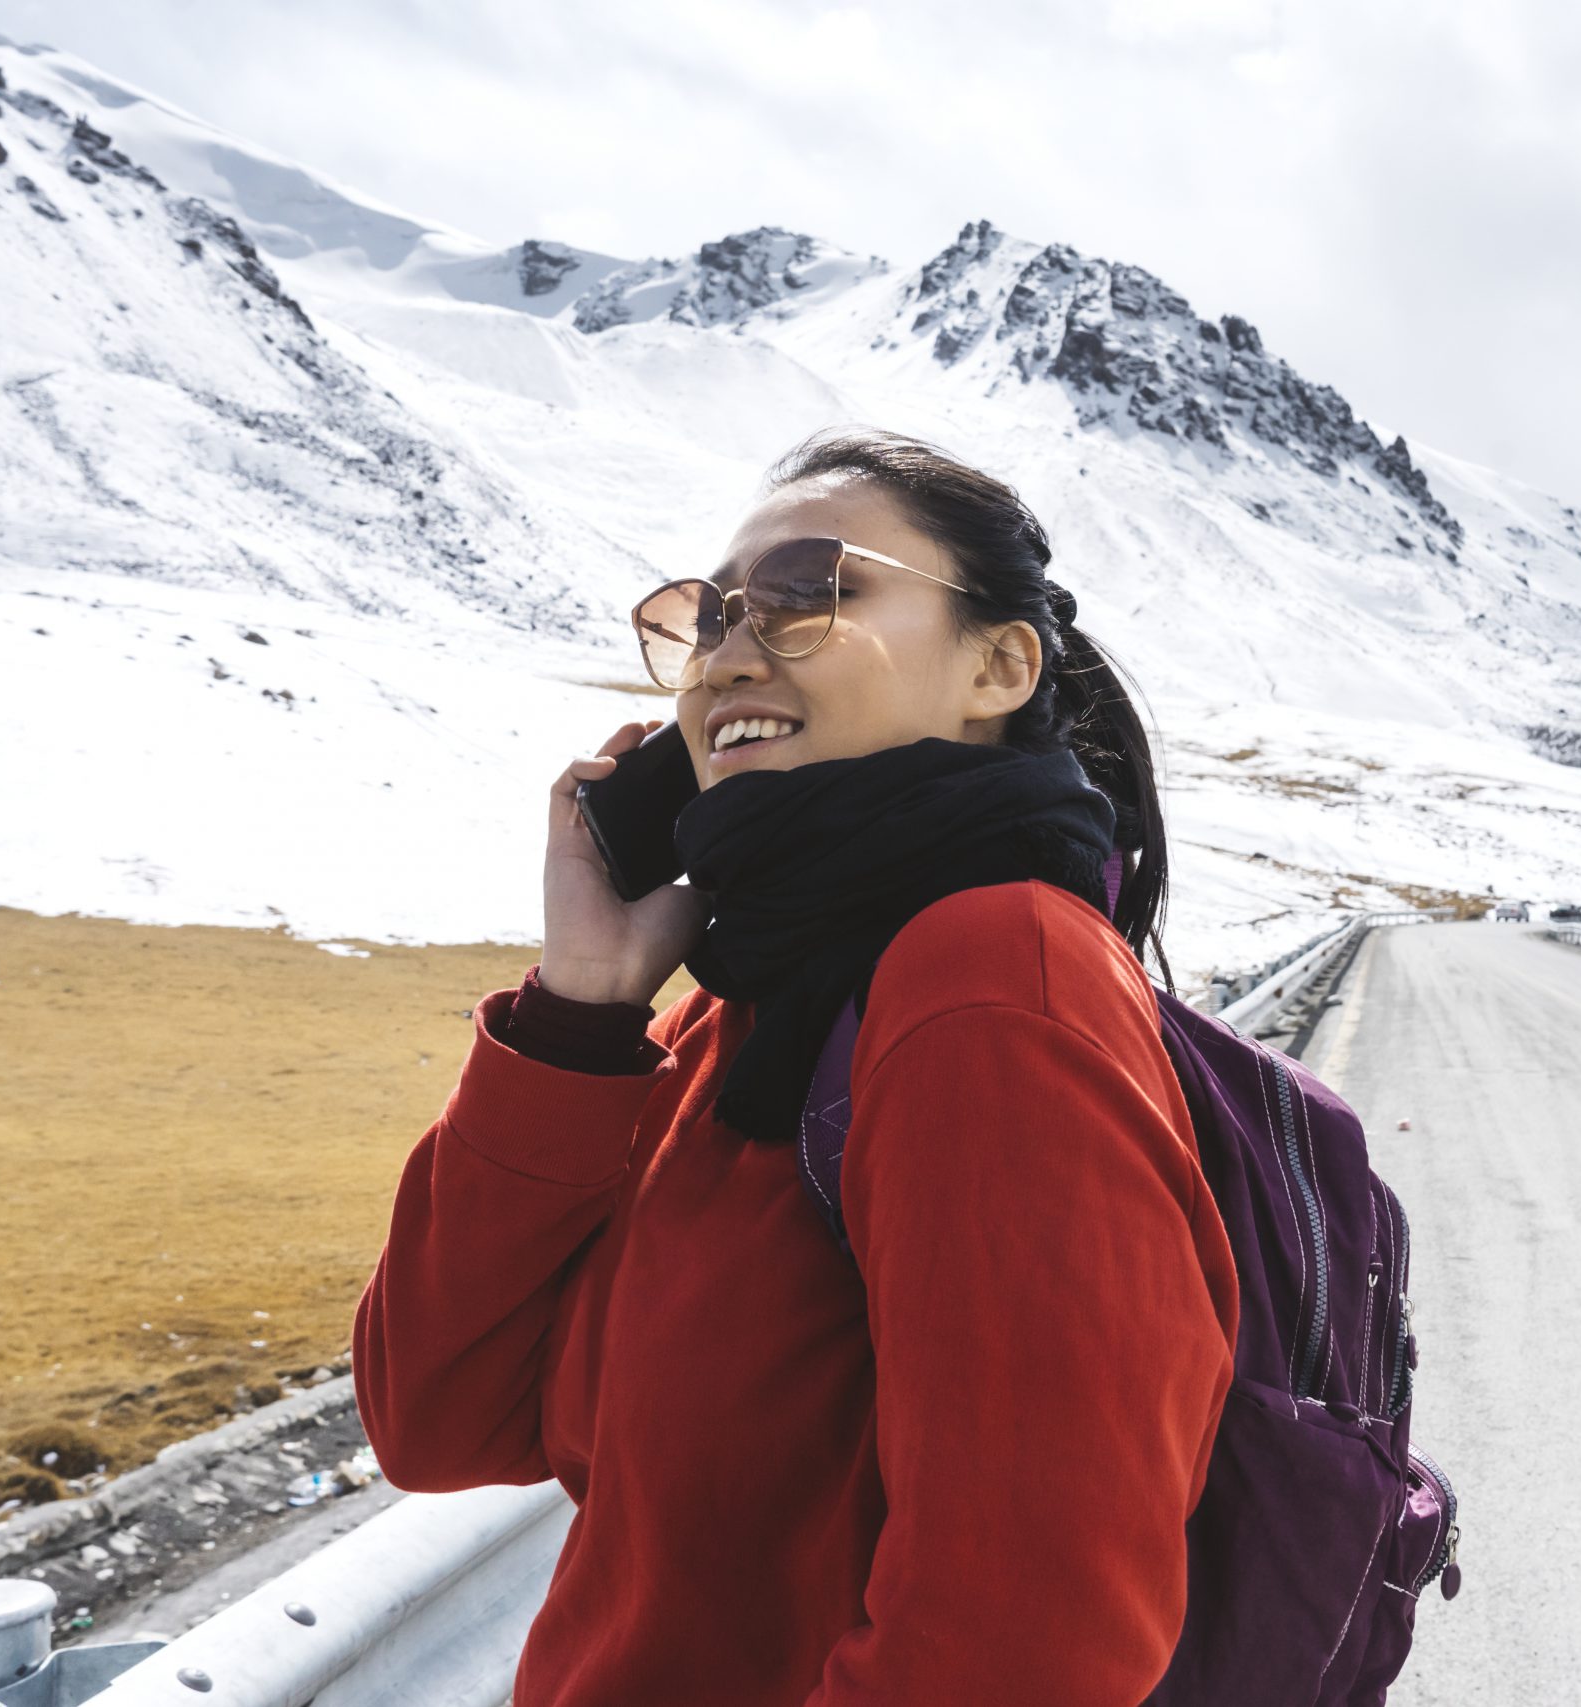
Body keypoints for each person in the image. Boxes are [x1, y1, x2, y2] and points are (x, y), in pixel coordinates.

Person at [353, 428, 1241, 1706]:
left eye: (813, 590)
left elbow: (1027, 1645)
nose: (726, 648)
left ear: (996, 665)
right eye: (707, 616)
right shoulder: (731, 1019)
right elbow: (436, 1420)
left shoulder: (991, 985)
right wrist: (579, 1015)